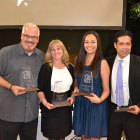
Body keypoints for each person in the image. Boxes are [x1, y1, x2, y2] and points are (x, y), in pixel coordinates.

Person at [0, 23, 45, 140]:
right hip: (9, 115)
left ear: (38, 39)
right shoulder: (5, 53)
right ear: (21, 36)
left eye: (34, 37)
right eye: (27, 36)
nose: (30, 40)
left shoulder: (42, 57)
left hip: (31, 116)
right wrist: (10, 87)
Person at [73, 31, 110, 140]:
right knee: (83, 137)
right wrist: (75, 88)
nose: (89, 45)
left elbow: (107, 90)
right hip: (82, 104)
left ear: (98, 44)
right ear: (83, 44)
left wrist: (100, 100)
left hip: (96, 105)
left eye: (93, 42)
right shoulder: (77, 60)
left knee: (93, 138)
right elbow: (76, 82)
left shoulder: (102, 63)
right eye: (87, 42)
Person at [37, 39, 74, 140]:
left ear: (63, 51)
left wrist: (72, 97)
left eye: (58, 49)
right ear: (50, 52)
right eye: (53, 49)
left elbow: (74, 87)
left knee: (62, 137)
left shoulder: (70, 67)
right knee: (53, 137)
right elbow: (39, 89)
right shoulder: (45, 68)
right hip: (50, 109)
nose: (56, 51)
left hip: (65, 110)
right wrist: (44, 102)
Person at [107, 30, 140, 140]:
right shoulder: (107, 63)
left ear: (131, 45)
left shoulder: (138, 62)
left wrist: (139, 106)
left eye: (128, 44)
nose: (125, 47)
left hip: (133, 111)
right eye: (121, 44)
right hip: (113, 111)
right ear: (115, 45)